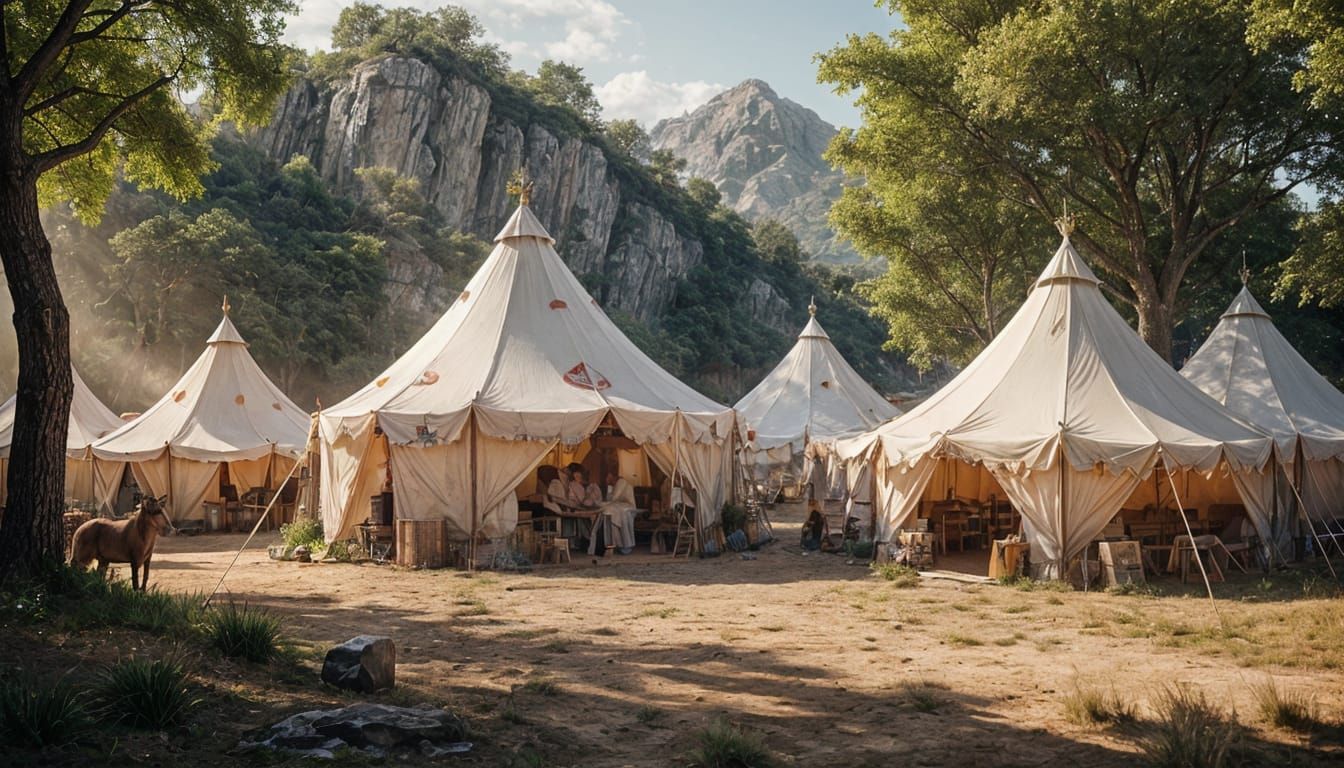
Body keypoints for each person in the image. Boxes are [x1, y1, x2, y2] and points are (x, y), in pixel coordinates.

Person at [594, 471, 637, 555]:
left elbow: (613, 498)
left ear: (610, 475)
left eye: (607, 477)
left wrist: (599, 503)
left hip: (628, 507)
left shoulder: (621, 482)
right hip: (619, 506)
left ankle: (626, 544)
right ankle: (614, 543)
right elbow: (609, 498)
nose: (606, 479)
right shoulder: (613, 485)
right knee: (608, 511)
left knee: (611, 511)